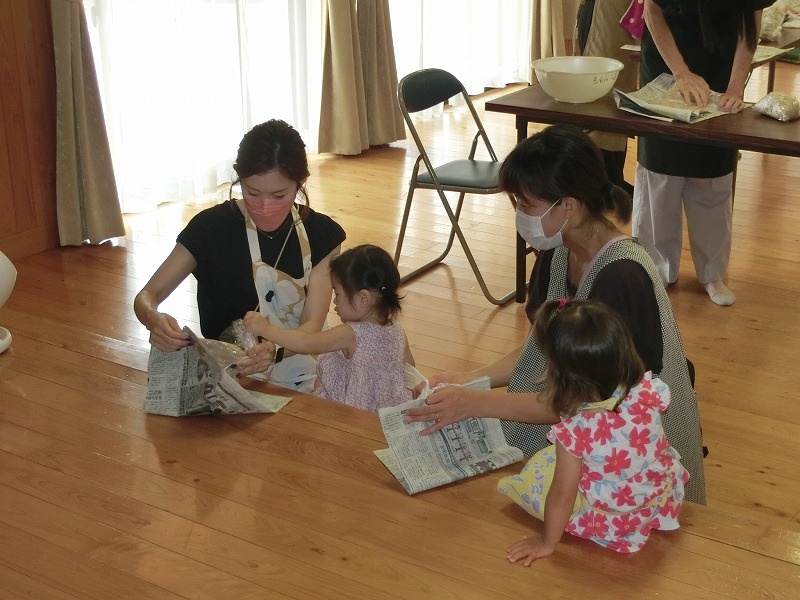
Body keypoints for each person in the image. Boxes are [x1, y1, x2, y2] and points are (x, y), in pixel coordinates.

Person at [404, 124, 707, 505]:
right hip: (588, 429)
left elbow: (586, 401)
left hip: (632, 460)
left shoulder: (621, 277)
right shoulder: (559, 253)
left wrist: (475, 401)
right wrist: (474, 379)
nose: (520, 214)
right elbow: (540, 347)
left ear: (568, 205)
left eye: (526, 205)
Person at [134, 119, 346, 393]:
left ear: (300, 183)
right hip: (227, 373)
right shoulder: (210, 228)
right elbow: (147, 295)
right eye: (252, 193)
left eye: (279, 195)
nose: (264, 207)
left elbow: (312, 325)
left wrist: (275, 349)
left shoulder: (322, 235)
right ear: (239, 178)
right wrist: (154, 319)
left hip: (301, 372)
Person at [499, 299, 688, 563]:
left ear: (560, 375)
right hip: (657, 495)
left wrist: (545, 542)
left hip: (614, 517)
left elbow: (563, 494)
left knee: (537, 471)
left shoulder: (576, 431)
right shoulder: (647, 390)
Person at [633, 0, 771, 306]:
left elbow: (750, 24)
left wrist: (735, 88)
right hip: (667, 60)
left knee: (714, 172)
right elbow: (651, 11)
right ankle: (657, 270)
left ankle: (712, 273)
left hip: (720, 63)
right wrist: (681, 73)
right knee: (660, 173)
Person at [243, 243, 414, 412]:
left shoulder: (351, 334)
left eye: (338, 293)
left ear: (363, 298)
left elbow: (307, 343)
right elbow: (410, 369)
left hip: (349, 413)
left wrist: (266, 329)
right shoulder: (397, 331)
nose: (334, 301)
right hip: (386, 412)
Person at [576, 0, 640, 195]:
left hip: (621, 9)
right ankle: (600, 181)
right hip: (607, 11)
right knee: (602, 81)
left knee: (620, 83)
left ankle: (610, 176)